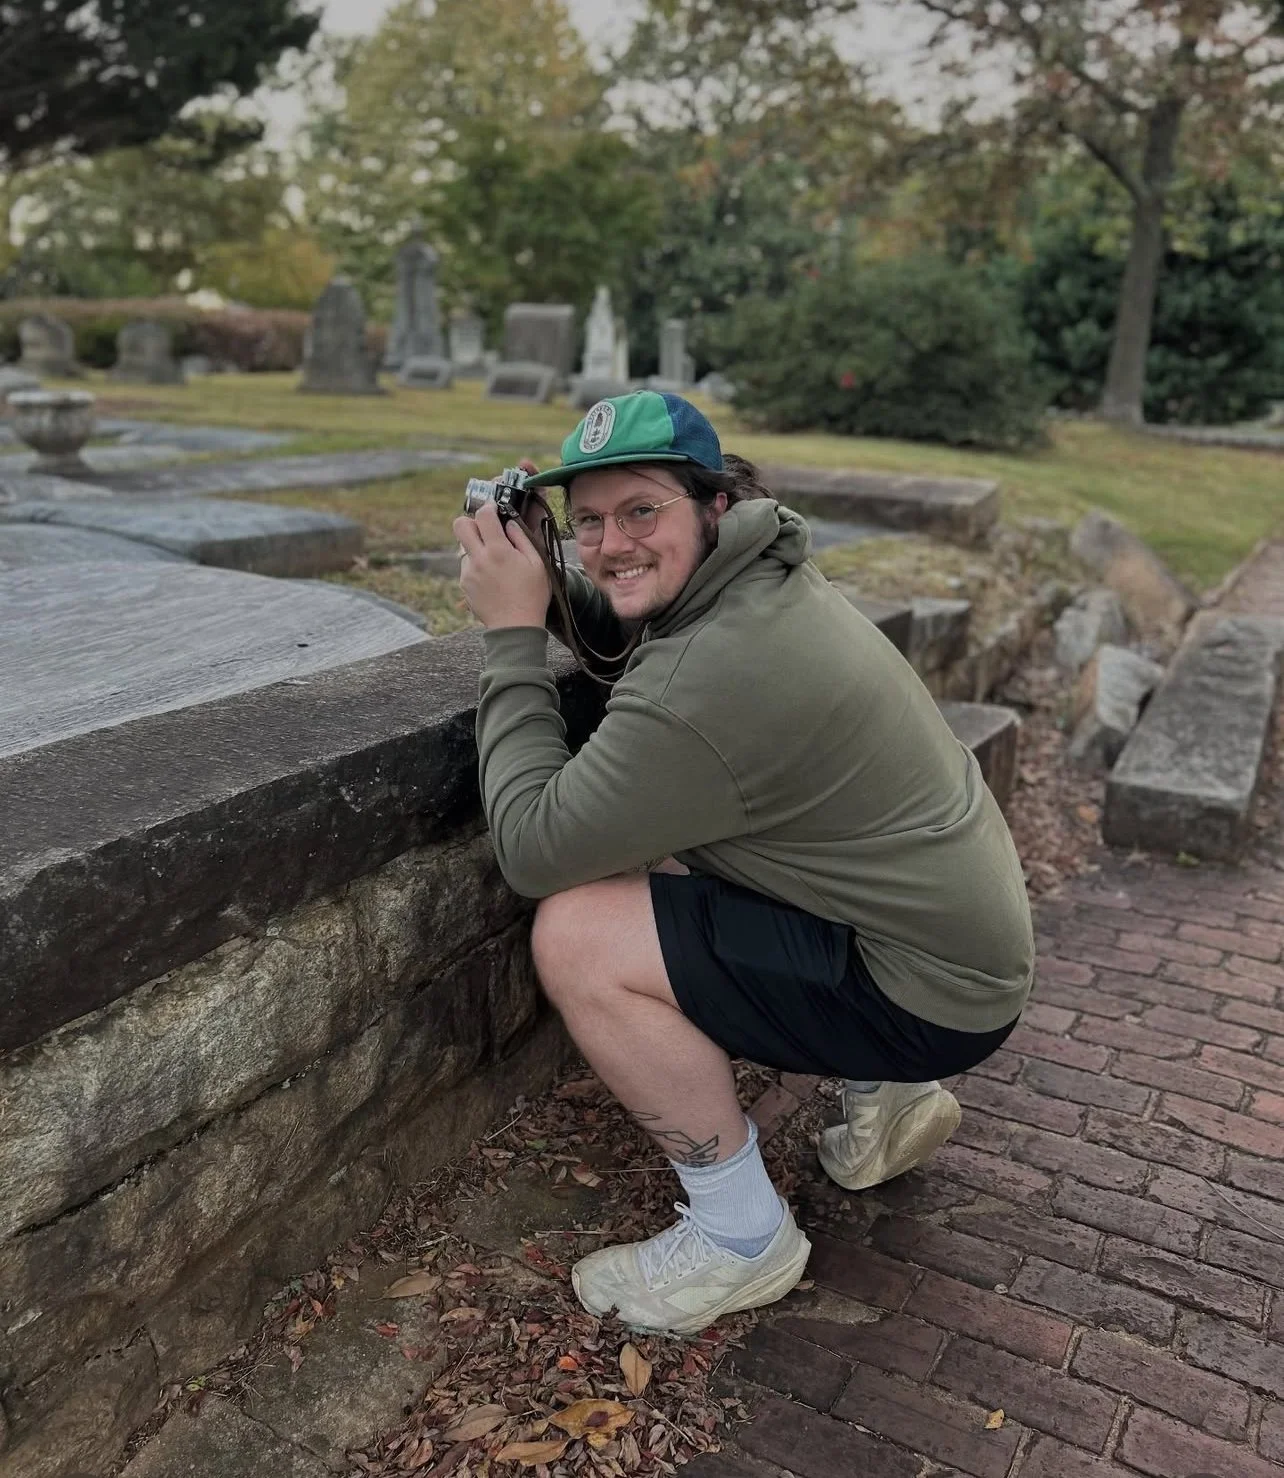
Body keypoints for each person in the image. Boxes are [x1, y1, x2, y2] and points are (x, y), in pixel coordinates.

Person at [453, 390, 1033, 1336]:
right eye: (587, 521)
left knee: (582, 936)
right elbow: (639, 633)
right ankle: (886, 1099)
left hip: (927, 992)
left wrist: (513, 634)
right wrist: (550, 582)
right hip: (949, 947)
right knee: (704, 864)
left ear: (712, 504)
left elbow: (532, 848)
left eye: (643, 511)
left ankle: (739, 1237)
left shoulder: (714, 675)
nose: (610, 542)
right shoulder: (758, 581)